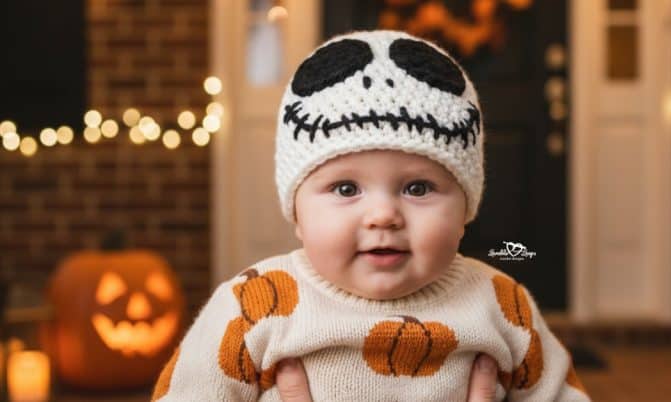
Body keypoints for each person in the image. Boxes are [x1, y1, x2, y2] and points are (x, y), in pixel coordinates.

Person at [151, 30, 590, 402]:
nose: (383, 215)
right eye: (346, 189)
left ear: (466, 210)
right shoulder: (254, 305)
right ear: (297, 214)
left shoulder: (501, 304)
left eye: (417, 188)